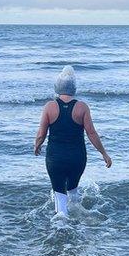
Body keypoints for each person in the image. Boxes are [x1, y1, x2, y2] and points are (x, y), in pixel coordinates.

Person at [34, 66, 112, 217]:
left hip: (55, 158)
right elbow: (91, 133)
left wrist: (37, 146)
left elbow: (41, 134)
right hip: (77, 158)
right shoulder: (82, 107)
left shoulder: (49, 107)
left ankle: (62, 225)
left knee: (59, 195)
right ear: (74, 88)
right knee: (73, 189)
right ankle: (78, 216)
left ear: (57, 86)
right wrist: (104, 154)